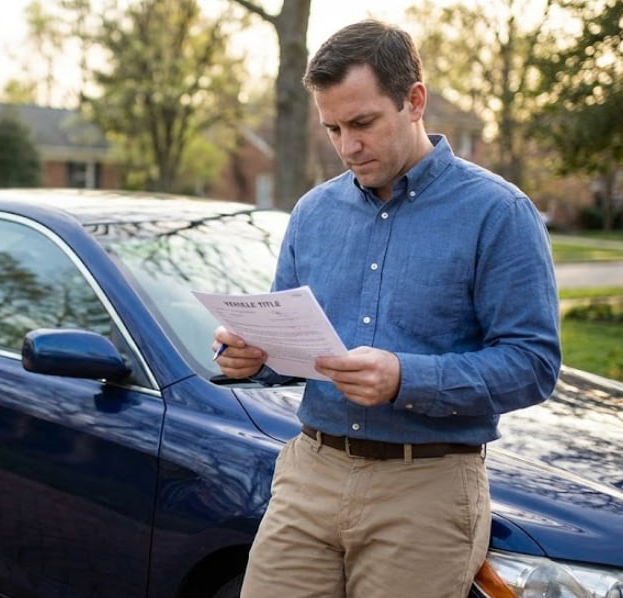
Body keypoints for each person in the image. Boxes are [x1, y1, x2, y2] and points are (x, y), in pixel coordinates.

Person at [213, 19, 561, 598]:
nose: (348, 146)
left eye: (363, 123)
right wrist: (252, 356)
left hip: (426, 488)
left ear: (414, 100)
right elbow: (295, 347)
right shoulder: (312, 213)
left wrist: (405, 378)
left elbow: (532, 365)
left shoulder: (499, 213)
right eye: (333, 128)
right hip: (310, 473)